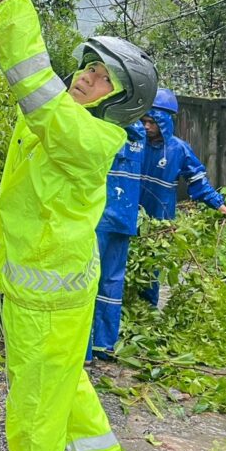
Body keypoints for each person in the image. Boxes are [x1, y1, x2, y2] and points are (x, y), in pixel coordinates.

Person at [0, 0, 158, 451]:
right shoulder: (69, 119)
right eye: (90, 68)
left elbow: (31, 78)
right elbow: (29, 64)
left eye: (103, 79)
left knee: (34, 415)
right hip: (52, 293)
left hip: (45, 301)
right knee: (64, 388)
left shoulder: (88, 137)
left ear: (120, 103)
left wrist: (15, 4)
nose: (87, 78)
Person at [139, 88, 226, 306]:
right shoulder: (133, 144)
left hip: (159, 222)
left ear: (165, 122)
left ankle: (146, 310)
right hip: (129, 216)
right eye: (144, 121)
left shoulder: (179, 150)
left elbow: (198, 182)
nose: (146, 126)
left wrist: (220, 206)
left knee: (150, 267)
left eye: (152, 122)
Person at [87, 120, 146, 364]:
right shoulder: (139, 135)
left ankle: (84, 349)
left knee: (87, 281)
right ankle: (104, 345)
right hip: (124, 219)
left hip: (98, 218)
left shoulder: (101, 126)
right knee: (112, 281)